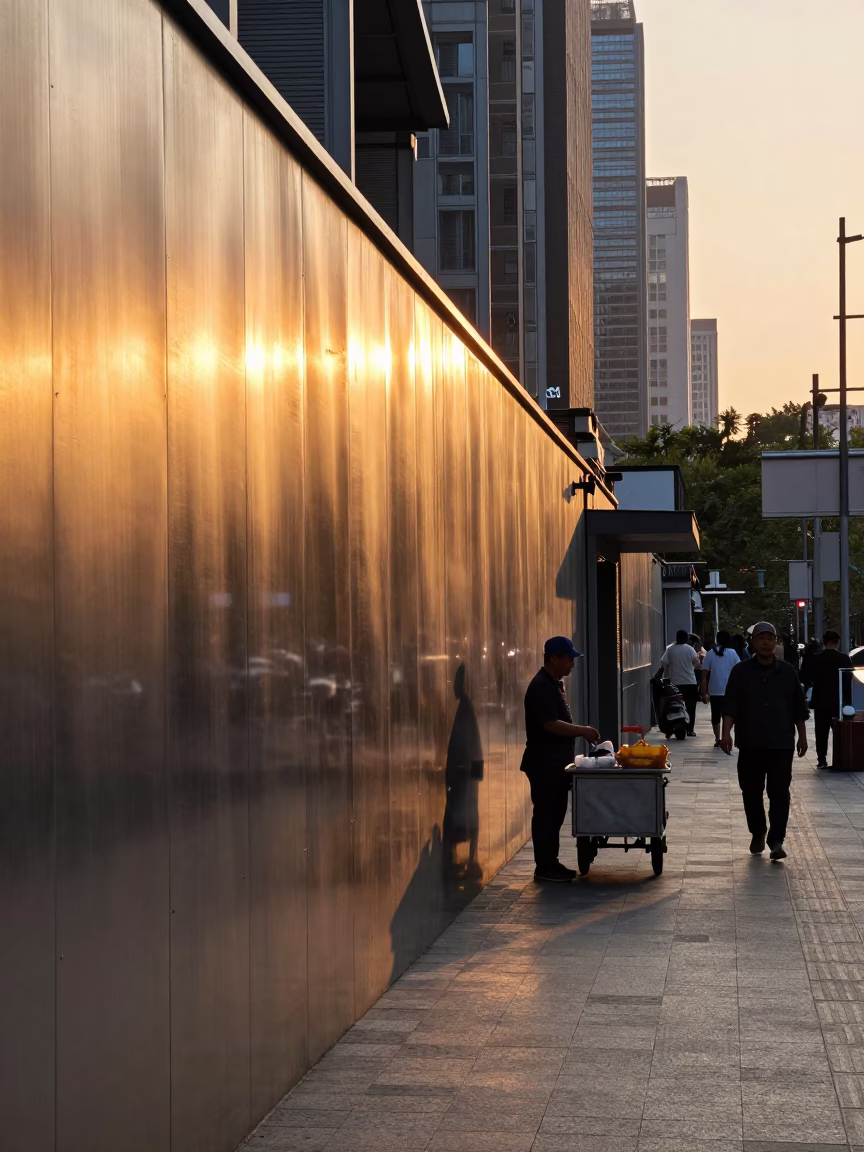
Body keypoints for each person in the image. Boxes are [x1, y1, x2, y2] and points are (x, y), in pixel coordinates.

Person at [721, 621, 808, 861]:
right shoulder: (741, 672)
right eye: (761, 638)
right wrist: (726, 732)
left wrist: (802, 735)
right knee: (751, 790)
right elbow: (730, 704)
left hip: (781, 743)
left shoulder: (788, 671)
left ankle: (777, 839)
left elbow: (798, 707)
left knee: (779, 792)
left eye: (771, 638)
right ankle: (758, 831)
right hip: (750, 741)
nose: (766, 642)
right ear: (753, 643)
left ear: (776, 642)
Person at [521, 637, 599, 883]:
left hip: (555, 763)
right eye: (568, 659)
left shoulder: (553, 684)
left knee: (555, 815)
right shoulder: (542, 686)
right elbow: (550, 724)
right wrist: (581, 730)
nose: (572, 665)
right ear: (553, 658)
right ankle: (544, 867)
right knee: (546, 815)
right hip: (544, 763)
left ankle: (550, 862)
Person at [801, 630, 852, 768]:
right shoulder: (844, 658)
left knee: (821, 732)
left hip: (820, 700)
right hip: (838, 701)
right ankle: (840, 759)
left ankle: (821, 759)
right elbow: (848, 681)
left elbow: (806, 678)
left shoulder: (816, 659)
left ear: (824, 642)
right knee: (839, 731)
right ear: (837, 642)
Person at [700, 629, 740, 751]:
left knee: (715, 715)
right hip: (729, 690)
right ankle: (726, 735)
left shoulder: (711, 653)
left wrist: (704, 692)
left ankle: (718, 738)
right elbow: (739, 671)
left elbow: (704, 676)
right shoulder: (733, 653)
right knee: (728, 714)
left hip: (715, 689)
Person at [660, 630, 701, 737]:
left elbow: (664, 663)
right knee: (691, 707)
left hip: (676, 683)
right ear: (686, 638)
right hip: (690, 682)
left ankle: (671, 728)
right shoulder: (690, 649)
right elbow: (697, 664)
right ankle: (690, 730)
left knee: (673, 706)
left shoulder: (670, 649)